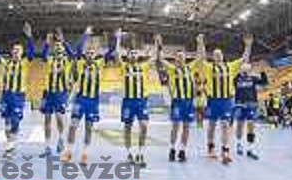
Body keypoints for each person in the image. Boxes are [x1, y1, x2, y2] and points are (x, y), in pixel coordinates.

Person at [60, 27, 115, 165]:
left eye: (92, 53)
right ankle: (68, 151)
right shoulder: (80, 63)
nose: (90, 55)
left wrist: (116, 37)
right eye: (88, 53)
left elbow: (111, 50)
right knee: (73, 126)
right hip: (80, 99)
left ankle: (85, 153)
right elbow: (78, 50)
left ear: (95, 54)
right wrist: (85, 35)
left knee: (89, 128)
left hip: (93, 101)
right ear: (86, 54)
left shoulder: (100, 63)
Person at [197, 33, 253, 163]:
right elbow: (201, 58)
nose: (217, 56)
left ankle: (225, 151)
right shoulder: (209, 67)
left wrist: (248, 45)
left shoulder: (230, 66)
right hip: (213, 101)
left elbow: (244, 59)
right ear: (213, 57)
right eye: (215, 54)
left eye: (219, 54)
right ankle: (210, 149)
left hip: (227, 101)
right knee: (211, 125)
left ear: (222, 56)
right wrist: (200, 43)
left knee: (225, 125)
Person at [0, 22, 35, 156]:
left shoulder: (25, 62)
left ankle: (10, 145)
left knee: (15, 120)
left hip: (18, 96)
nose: (15, 51)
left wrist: (29, 37)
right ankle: (10, 146)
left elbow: (31, 51)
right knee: (6, 121)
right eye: (14, 49)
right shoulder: (7, 62)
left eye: (18, 50)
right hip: (6, 95)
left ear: (21, 52)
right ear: (11, 52)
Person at [156, 33, 202, 163]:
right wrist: (159, 44)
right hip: (177, 102)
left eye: (182, 57)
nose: (181, 59)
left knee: (187, 127)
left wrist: (199, 42)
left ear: (185, 58)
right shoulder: (172, 69)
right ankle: (172, 149)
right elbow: (160, 59)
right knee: (175, 126)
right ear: (175, 59)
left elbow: (199, 58)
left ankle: (182, 150)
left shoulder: (190, 68)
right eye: (178, 57)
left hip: (188, 102)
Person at [112, 29, 156, 167]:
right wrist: (118, 39)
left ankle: (140, 153)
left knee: (144, 126)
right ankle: (129, 154)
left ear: (138, 56)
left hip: (141, 101)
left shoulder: (143, 66)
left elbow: (154, 57)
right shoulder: (124, 67)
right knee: (127, 127)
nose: (133, 55)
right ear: (128, 55)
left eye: (135, 53)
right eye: (131, 53)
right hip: (128, 101)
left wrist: (156, 42)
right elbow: (117, 54)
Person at [38, 29, 78, 159]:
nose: (58, 50)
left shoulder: (67, 61)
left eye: (60, 49)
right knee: (47, 120)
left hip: (60, 93)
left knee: (59, 117)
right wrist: (47, 43)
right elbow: (43, 55)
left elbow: (73, 55)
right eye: (56, 48)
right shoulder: (50, 59)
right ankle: (47, 147)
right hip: (48, 93)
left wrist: (63, 40)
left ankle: (61, 139)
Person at [234, 60, 267, 159]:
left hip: (251, 104)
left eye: (248, 68)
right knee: (240, 125)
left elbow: (264, 82)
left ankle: (250, 149)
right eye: (244, 68)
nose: (246, 70)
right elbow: (234, 83)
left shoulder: (253, 78)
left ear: (250, 69)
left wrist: (262, 71)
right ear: (241, 69)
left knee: (251, 125)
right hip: (240, 104)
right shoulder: (237, 78)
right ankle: (239, 144)